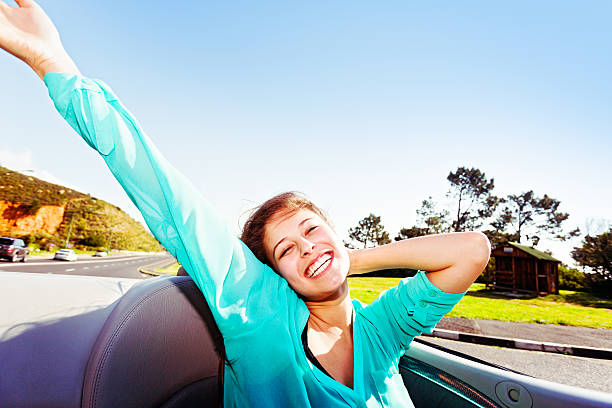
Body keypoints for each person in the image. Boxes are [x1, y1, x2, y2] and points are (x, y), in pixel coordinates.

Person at [0, 1, 491, 406]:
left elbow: (470, 250)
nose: (305, 247)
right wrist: (53, 64)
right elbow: (169, 199)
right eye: (285, 251)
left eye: (311, 230)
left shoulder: (381, 331)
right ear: (272, 276)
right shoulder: (260, 322)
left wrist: (344, 260)